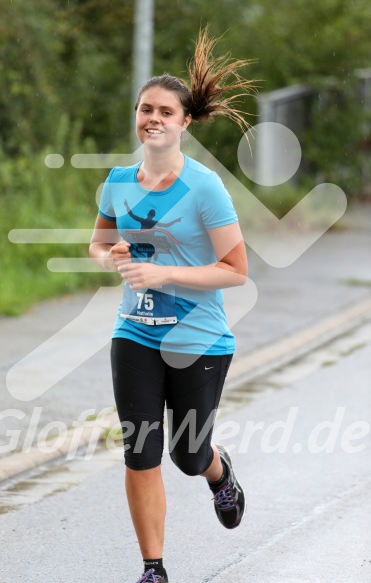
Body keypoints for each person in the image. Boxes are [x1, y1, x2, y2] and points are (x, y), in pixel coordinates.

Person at [89, 26, 254, 583]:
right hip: (134, 332)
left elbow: (236, 270)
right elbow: (98, 242)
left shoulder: (206, 188)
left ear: (185, 122)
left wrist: (163, 270)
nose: (152, 119)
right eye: (144, 109)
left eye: (164, 111)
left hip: (199, 337)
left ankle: (218, 471)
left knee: (187, 456)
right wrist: (110, 254)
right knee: (140, 451)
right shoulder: (116, 181)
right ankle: (153, 569)